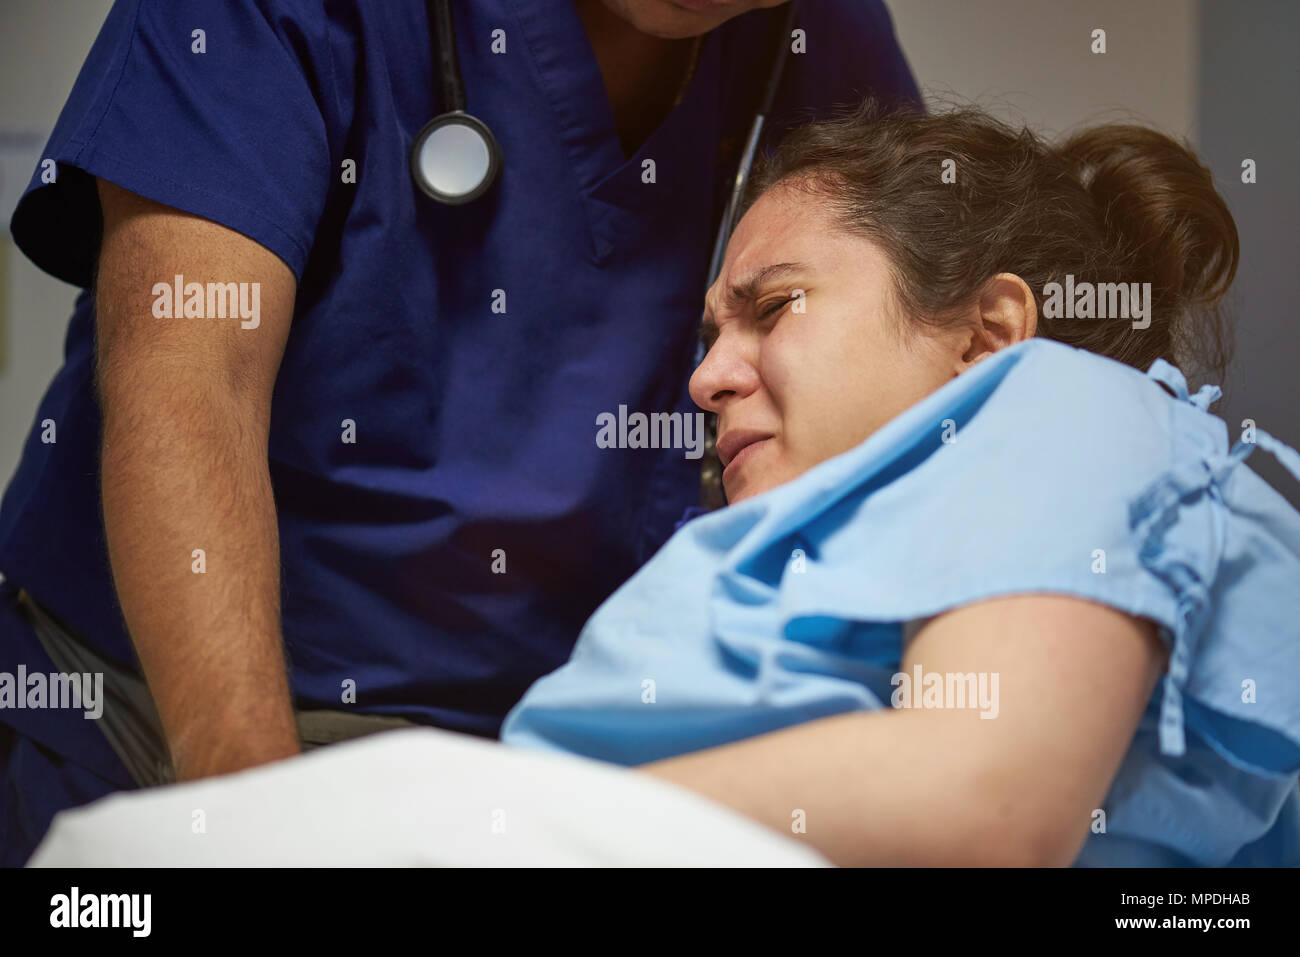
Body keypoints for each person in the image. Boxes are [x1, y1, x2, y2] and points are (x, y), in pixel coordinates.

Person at [30, 102, 1300, 867]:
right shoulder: (852, 531)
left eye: (771, 311)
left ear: (988, 329)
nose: (704, 379)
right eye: (706, 335)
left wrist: (464, 812)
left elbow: (987, 797)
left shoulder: (1062, 405)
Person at [0, 0, 920, 865]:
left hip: (536, 763)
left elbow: (924, 364)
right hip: (163, 723)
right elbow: (193, 380)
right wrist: (251, 812)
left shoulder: (815, 32)